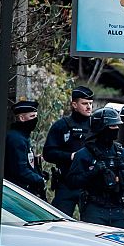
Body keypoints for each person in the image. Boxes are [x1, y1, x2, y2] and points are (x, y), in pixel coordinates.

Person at [66, 107, 124, 229]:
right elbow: (72, 181)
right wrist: (92, 173)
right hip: (94, 208)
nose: (116, 129)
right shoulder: (84, 154)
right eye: (112, 126)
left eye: (117, 126)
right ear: (101, 128)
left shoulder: (121, 153)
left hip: (116, 208)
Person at [44, 86, 94, 216]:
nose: (89, 107)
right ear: (74, 105)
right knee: (59, 220)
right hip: (66, 183)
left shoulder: (95, 126)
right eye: (84, 103)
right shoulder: (62, 125)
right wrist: (70, 156)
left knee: (93, 225)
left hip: (89, 184)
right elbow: (48, 153)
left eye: (90, 103)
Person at [5, 100, 46, 198]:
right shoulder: (16, 139)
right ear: (22, 118)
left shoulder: (23, 137)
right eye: (32, 116)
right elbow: (20, 170)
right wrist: (38, 179)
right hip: (17, 192)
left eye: (36, 116)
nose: (35, 120)